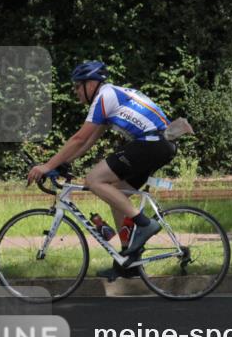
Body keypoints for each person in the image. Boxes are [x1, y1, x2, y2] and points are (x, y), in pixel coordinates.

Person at [26, 61, 178, 280]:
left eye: (78, 86)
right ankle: (128, 260)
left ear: (91, 84)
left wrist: (47, 166)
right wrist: (63, 163)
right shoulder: (109, 96)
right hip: (159, 144)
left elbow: (78, 138)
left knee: (94, 180)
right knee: (116, 191)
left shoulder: (104, 97)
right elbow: (87, 141)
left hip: (151, 142)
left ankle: (145, 224)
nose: (76, 91)